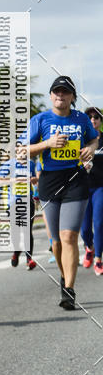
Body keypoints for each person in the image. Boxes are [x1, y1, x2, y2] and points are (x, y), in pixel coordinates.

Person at [28, 75, 98, 310]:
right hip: (49, 182)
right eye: (57, 91)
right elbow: (22, 151)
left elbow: (94, 139)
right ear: (51, 96)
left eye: (65, 92)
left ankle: (69, 290)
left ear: (72, 97)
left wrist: (90, 149)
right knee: (56, 242)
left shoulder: (81, 119)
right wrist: (47, 144)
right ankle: (64, 274)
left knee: (69, 236)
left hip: (75, 180)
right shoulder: (40, 120)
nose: (61, 95)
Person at [2, 159, 38, 271]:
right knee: (15, 231)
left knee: (27, 230)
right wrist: (15, 180)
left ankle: (29, 259)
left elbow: (35, 179)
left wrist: (34, 180)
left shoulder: (31, 163)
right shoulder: (9, 164)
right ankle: (16, 251)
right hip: (13, 202)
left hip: (28, 201)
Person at [81, 107, 103, 276]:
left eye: (96, 117)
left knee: (99, 223)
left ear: (100, 121)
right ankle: (89, 247)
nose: (93, 120)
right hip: (82, 188)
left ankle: (98, 259)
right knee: (85, 229)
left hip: (100, 188)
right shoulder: (80, 140)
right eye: (89, 117)